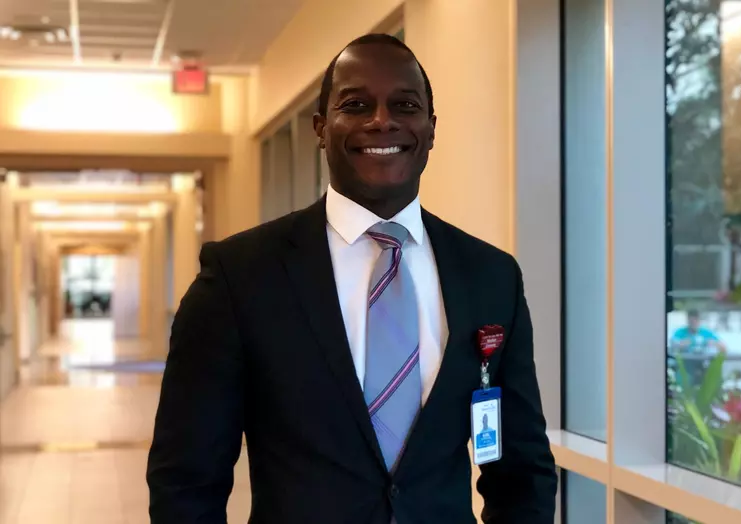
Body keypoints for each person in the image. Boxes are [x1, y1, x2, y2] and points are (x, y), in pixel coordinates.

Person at [146, 33, 557, 524]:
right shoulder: (239, 277)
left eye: (405, 105)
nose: (382, 120)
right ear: (321, 127)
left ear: (430, 129)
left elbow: (522, 471)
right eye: (356, 105)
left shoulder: (491, 277)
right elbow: (187, 482)